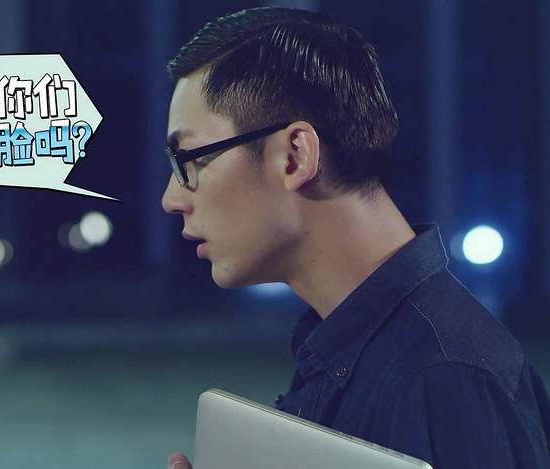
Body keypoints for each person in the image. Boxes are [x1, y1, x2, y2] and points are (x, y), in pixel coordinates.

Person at [160, 7, 550, 469]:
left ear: (294, 156)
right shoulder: (353, 348)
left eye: (189, 160)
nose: (171, 199)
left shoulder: (443, 379)